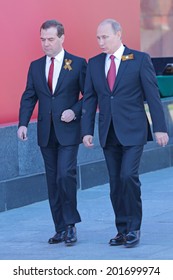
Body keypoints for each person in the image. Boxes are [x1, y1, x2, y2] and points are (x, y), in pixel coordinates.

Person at [82, 18, 169, 248]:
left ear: (119, 34)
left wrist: (160, 127)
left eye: (105, 37)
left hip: (133, 130)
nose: (101, 42)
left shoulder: (139, 59)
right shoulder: (94, 64)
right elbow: (90, 99)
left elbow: (152, 95)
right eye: (98, 38)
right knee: (115, 182)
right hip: (108, 132)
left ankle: (134, 228)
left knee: (128, 176)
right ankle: (122, 230)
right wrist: (86, 131)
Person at [17, 19, 87, 246]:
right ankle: (59, 228)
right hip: (46, 133)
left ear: (62, 38)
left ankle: (71, 225)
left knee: (65, 175)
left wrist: (74, 111)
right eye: (42, 39)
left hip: (68, 131)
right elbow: (29, 96)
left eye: (50, 39)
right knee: (52, 181)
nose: (46, 44)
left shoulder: (77, 64)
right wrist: (23, 123)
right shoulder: (36, 66)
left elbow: (89, 96)